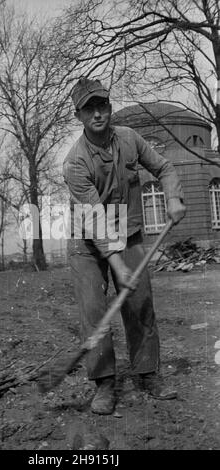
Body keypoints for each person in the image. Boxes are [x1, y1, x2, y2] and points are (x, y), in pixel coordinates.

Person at [63, 77, 186, 415]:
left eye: (102, 105)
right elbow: (96, 223)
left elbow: (164, 167)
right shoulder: (75, 162)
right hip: (87, 241)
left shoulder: (130, 139)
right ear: (78, 116)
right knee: (94, 311)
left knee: (140, 302)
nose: (98, 113)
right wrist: (117, 266)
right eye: (90, 109)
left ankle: (147, 374)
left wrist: (172, 195)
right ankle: (104, 384)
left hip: (128, 233)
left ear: (110, 107)